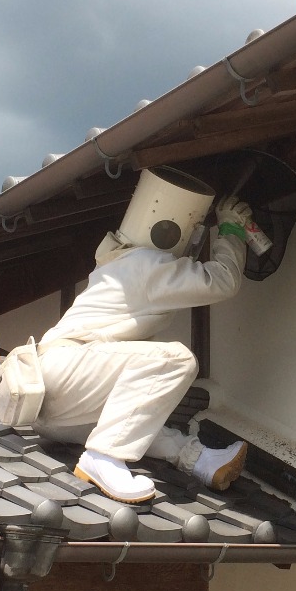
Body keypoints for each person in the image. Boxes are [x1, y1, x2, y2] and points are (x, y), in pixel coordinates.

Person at [31, 166, 256, 503]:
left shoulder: (114, 261)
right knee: (174, 360)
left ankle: (201, 460)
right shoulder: (143, 263)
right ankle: (102, 459)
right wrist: (230, 231)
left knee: (132, 415)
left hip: (53, 406)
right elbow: (221, 280)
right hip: (68, 373)